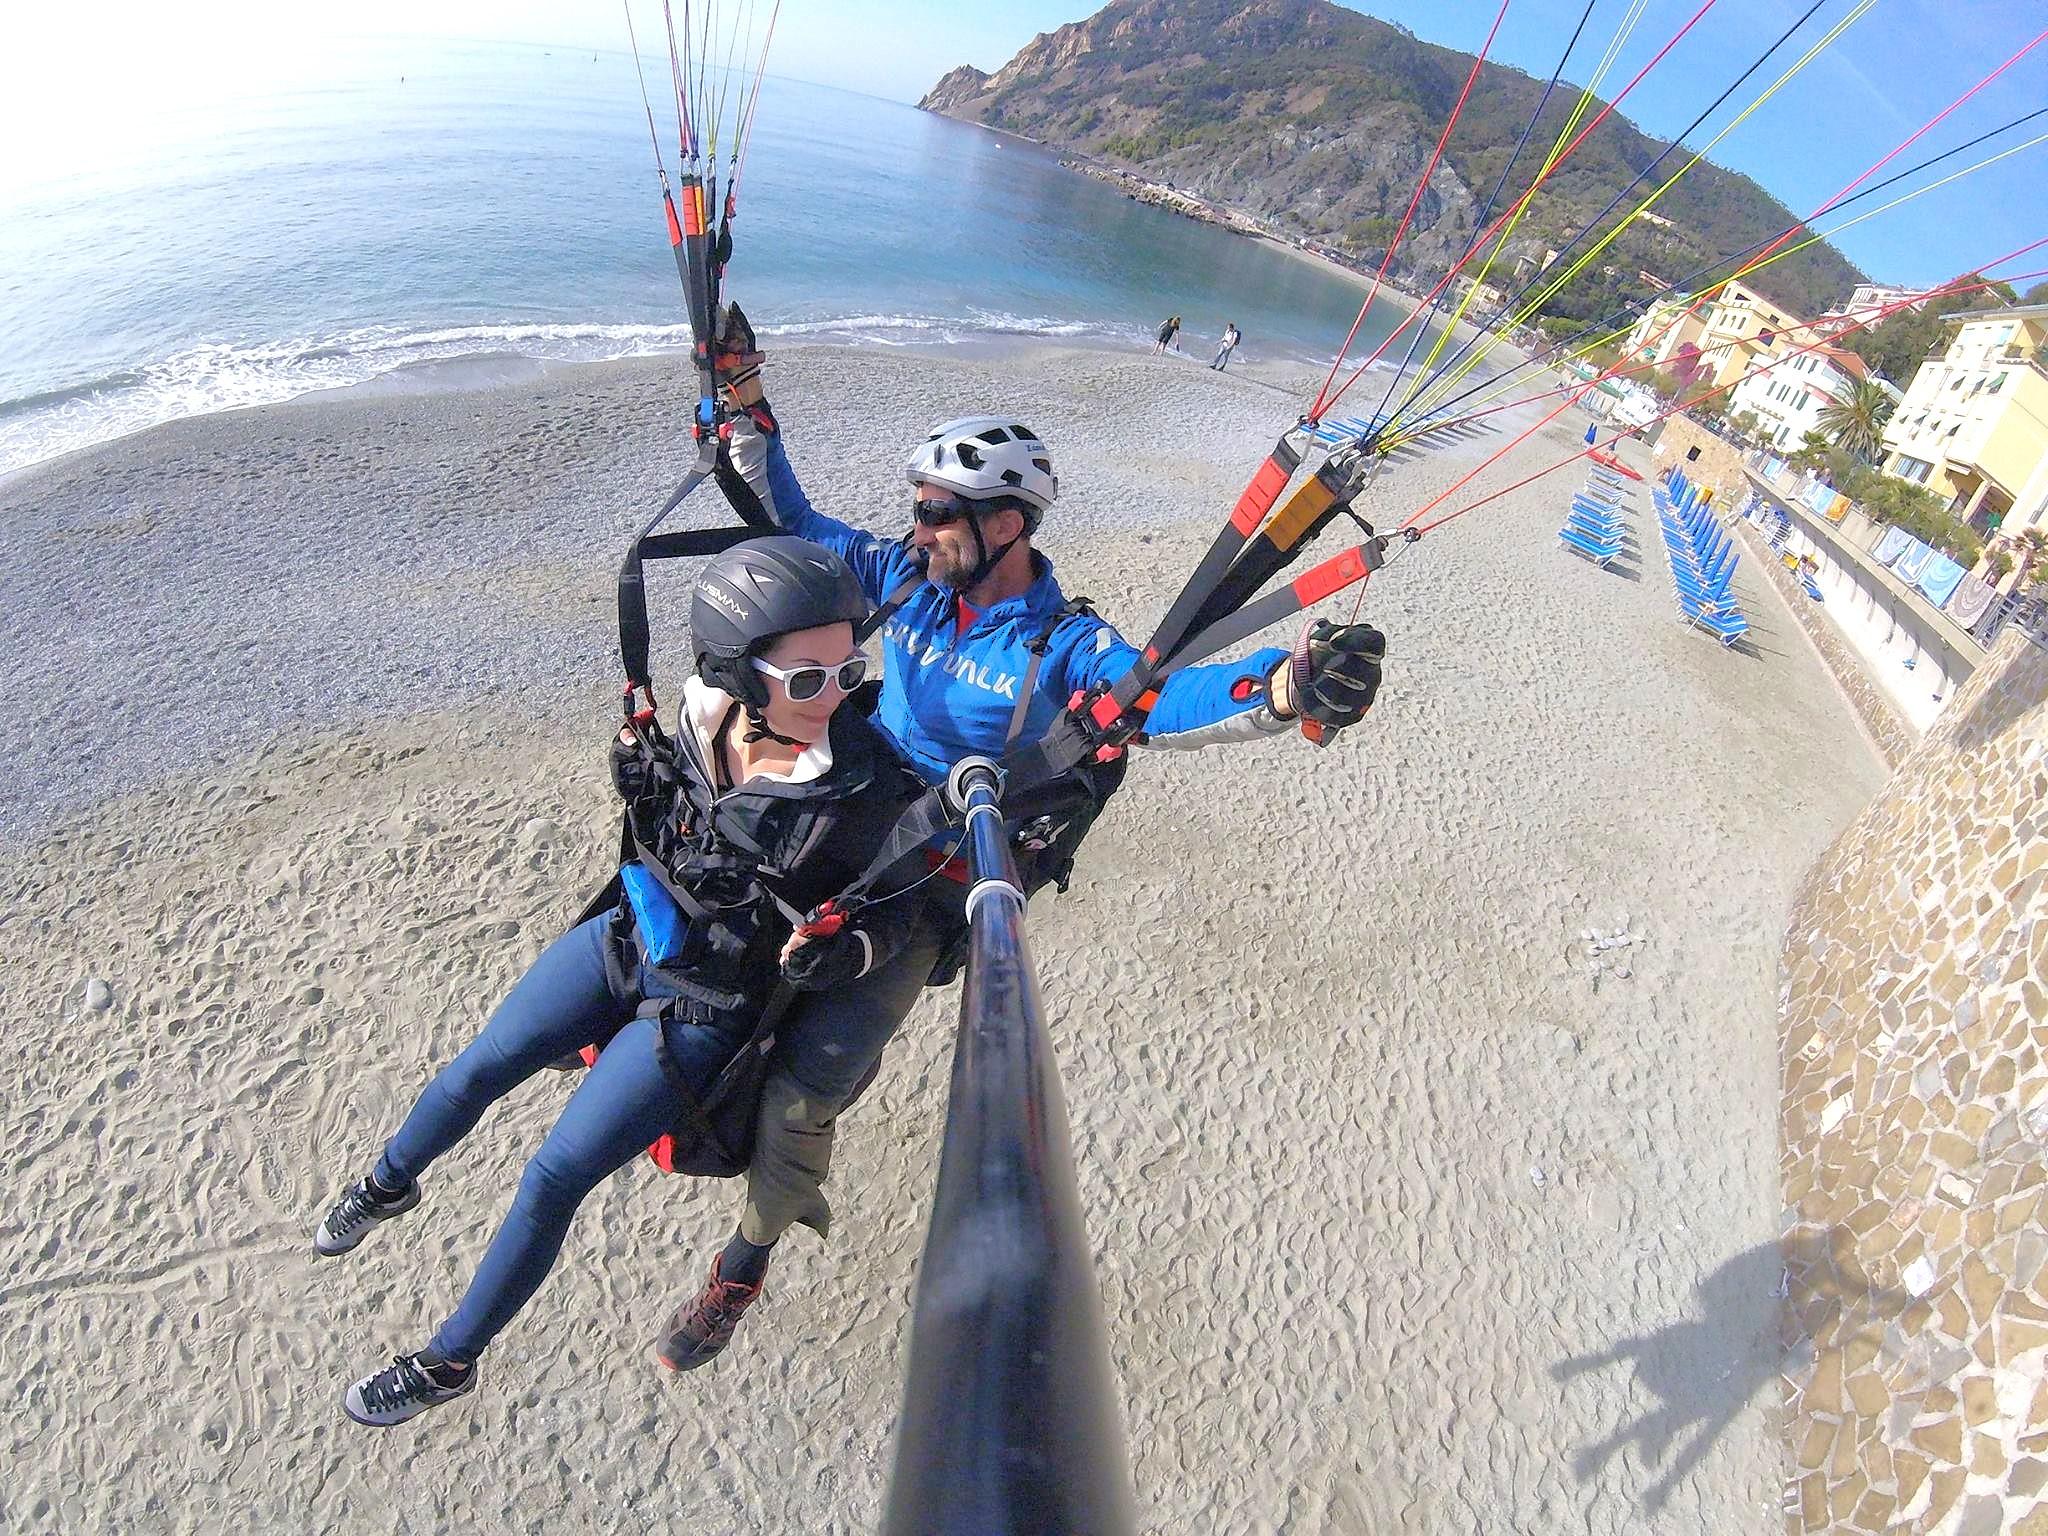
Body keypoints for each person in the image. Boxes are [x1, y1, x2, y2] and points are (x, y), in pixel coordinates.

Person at [649, 351, 1389, 1373]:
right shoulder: (901, 580)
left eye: (938, 513)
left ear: (1007, 524)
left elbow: (1156, 695)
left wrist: (1283, 687)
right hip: (830, 815)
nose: (918, 530)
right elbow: (793, 521)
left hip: (917, 889)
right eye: (916, 508)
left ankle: (746, 1255)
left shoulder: (1061, 648)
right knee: (670, 915)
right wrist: (743, 407)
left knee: (806, 1089)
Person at [314, 537, 928, 1425]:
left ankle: (449, 1362)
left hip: (701, 1011)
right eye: (807, 680)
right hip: (626, 934)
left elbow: (895, 916)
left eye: (848, 668)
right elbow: (660, 809)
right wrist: (639, 783)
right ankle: (387, 1182)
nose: (835, 695)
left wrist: (849, 953)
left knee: (553, 1175)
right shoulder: (698, 714)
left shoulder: (862, 790)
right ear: (736, 676)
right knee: (481, 1063)